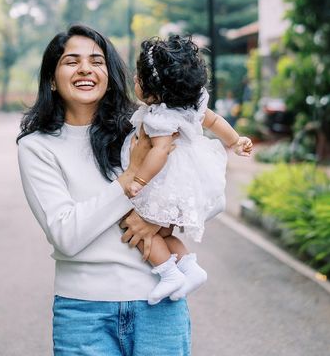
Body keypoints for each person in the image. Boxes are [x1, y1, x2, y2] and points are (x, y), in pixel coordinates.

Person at [17, 25, 192, 356]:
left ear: (109, 74)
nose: (85, 68)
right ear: (52, 78)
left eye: (96, 61)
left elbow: (206, 197)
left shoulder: (146, 128)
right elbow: (66, 236)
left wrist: (155, 220)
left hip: (159, 304)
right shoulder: (37, 147)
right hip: (83, 314)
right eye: (72, 61)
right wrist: (129, 181)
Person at [120, 35, 253, 305]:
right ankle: (191, 269)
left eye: (138, 78)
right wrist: (235, 140)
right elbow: (214, 120)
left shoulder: (161, 118)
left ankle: (170, 273)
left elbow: (159, 152)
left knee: (140, 227)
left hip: (167, 178)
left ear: (153, 92)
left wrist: (140, 180)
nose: (134, 79)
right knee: (163, 232)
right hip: (193, 174)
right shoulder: (193, 105)